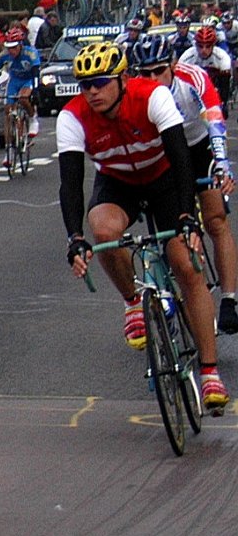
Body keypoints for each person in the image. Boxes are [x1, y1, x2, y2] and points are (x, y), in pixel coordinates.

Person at [60, 41, 225, 409]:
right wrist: (75, 238)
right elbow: (70, 183)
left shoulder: (152, 96)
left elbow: (181, 158)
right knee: (103, 231)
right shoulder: (72, 116)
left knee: (186, 267)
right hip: (118, 182)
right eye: (85, 84)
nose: (92, 92)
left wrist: (187, 216)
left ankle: (210, 372)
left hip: (164, 178)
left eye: (100, 82)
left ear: (122, 79)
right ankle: (133, 302)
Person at [126, 34, 238, 338]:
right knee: (171, 224)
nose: (152, 79)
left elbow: (214, 120)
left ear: (173, 66)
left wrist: (222, 164)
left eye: (159, 71)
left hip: (198, 145)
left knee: (215, 219)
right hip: (164, 150)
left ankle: (229, 300)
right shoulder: (134, 91)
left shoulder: (193, 77)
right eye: (145, 73)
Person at [0, 26, 43, 150]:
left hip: (28, 79)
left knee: (23, 98)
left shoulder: (30, 53)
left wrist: (35, 90)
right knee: (8, 111)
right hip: (14, 81)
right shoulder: (5, 56)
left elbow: (36, 72)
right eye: (9, 48)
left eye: (14, 47)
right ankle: (9, 148)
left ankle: (33, 118)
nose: (11, 51)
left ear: (20, 45)